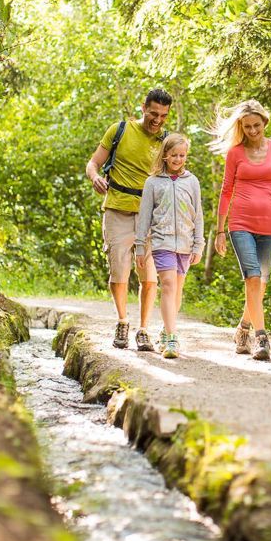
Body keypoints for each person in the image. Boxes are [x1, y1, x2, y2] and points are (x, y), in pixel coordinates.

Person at [85, 88, 172, 351]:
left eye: (163, 116)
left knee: (150, 276)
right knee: (119, 271)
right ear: (143, 107)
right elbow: (93, 163)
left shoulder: (167, 142)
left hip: (151, 215)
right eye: (153, 113)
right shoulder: (119, 130)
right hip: (117, 209)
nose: (157, 120)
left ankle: (144, 329)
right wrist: (95, 178)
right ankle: (123, 321)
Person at [212, 100, 271, 360]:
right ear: (241, 126)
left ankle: (243, 327)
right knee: (253, 277)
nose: (252, 130)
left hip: (270, 224)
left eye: (256, 125)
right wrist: (220, 230)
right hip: (241, 223)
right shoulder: (235, 153)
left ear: (264, 122)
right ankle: (261, 338)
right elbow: (226, 191)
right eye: (247, 126)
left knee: (262, 284)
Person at [134, 133, 204, 359]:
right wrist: (140, 247)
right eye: (174, 155)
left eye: (182, 155)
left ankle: (166, 330)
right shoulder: (153, 182)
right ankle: (173, 338)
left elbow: (198, 216)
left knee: (177, 291)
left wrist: (198, 245)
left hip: (185, 243)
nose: (178, 159)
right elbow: (144, 217)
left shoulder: (192, 181)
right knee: (168, 285)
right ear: (165, 155)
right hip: (161, 242)